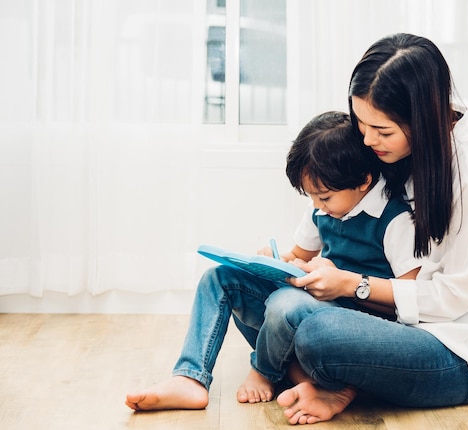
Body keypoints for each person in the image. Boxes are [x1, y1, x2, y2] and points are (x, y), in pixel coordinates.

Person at [272, 33, 468, 425]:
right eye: (361, 123)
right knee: (264, 298)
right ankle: (335, 378)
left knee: (317, 333)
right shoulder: (398, 151)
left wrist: (351, 285)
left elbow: (452, 300)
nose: (368, 140)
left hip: (453, 350)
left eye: (383, 131)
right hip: (389, 321)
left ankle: (334, 379)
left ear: (422, 117)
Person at [124, 110, 421, 411]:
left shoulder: (395, 220)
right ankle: (191, 377)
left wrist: (343, 283)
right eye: (311, 197)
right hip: (307, 311)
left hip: (348, 328)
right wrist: (273, 261)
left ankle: (266, 372)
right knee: (219, 278)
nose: (317, 206)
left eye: (325, 197)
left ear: (363, 181)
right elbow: (298, 255)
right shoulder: (321, 209)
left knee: (286, 304)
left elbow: (408, 300)